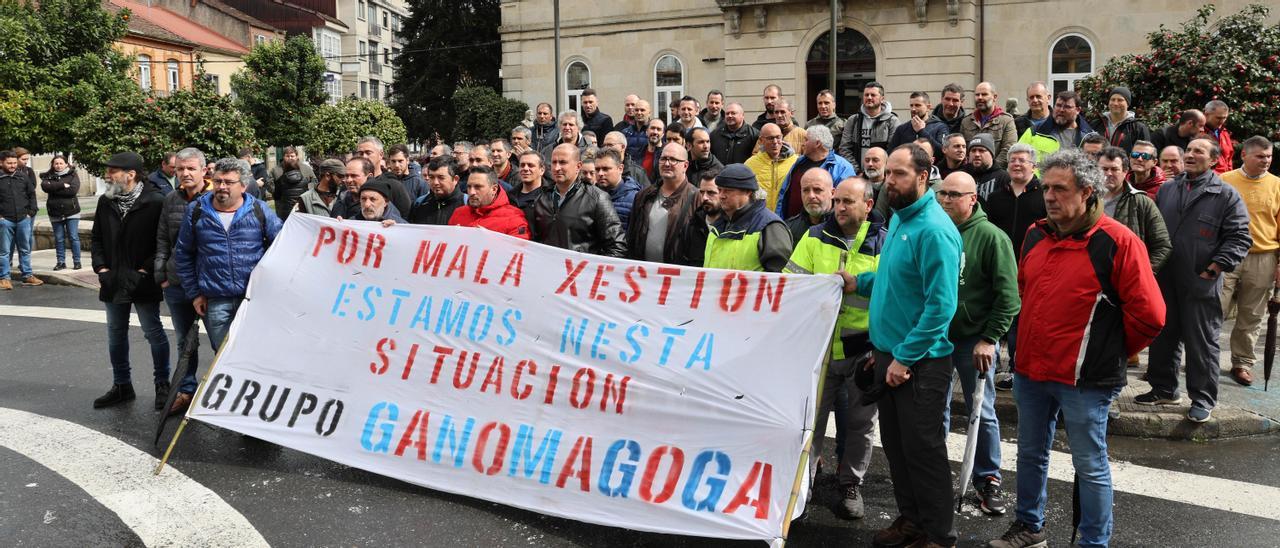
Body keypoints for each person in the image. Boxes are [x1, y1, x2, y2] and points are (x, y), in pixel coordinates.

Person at [988, 149, 1165, 548]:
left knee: (1090, 465)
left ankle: (1092, 542)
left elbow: (1151, 316)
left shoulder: (1117, 242)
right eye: (1046, 187)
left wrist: (1110, 351)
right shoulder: (1035, 233)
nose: (1049, 196)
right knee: (1030, 454)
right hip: (1032, 370)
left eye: (1060, 189)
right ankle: (1029, 527)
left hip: (1085, 379)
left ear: (1086, 191)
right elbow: (1022, 293)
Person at [846, 144, 960, 548]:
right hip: (889, 356)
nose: (888, 181)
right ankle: (912, 520)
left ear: (923, 177)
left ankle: (938, 535)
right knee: (897, 448)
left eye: (898, 174)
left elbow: (941, 307)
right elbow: (896, 280)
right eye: (887, 174)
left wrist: (904, 358)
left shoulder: (934, 229)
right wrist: (860, 282)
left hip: (921, 362)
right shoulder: (900, 220)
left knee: (923, 451)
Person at [785, 176, 884, 519]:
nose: (839, 208)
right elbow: (792, 285)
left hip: (864, 352)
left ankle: (850, 484)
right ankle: (803, 483)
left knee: (860, 426)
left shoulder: (885, 243)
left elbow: (892, 294)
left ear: (868, 206)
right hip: (820, 349)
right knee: (809, 421)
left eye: (848, 202)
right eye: (837, 201)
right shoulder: (813, 238)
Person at [1142, 138, 1252, 423]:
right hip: (1166, 278)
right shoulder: (1168, 189)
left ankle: (1202, 399)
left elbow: (1240, 238)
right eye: (1188, 150)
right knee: (1163, 335)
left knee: (1201, 342)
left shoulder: (1226, 195)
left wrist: (1214, 268)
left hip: (1201, 280)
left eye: (1198, 152)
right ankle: (1164, 388)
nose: (1190, 155)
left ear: (1214, 159)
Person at [936, 171, 1019, 517]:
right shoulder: (936, 232)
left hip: (974, 341)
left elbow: (1009, 297)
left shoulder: (991, 237)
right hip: (936, 338)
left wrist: (990, 338)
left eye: (954, 195)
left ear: (973, 198)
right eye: (942, 194)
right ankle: (935, 477)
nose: (946, 200)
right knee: (934, 410)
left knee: (980, 412)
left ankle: (988, 478)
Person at [174, 158, 284, 371]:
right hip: (216, 301)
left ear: (243, 185)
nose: (221, 187)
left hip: (253, 300)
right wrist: (195, 293)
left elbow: (282, 245)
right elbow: (184, 254)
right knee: (223, 358)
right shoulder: (196, 211)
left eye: (228, 182)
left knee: (255, 355)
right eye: (217, 181)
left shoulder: (259, 210)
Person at [91, 151, 169, 409]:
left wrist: (146, 269)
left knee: (153, 332)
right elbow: (98, 238)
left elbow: (163, 241)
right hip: (113, 279)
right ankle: (122, 385)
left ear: (131, 174)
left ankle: (162, 385)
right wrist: (101, 268)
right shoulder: (106, 201)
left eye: (113, 171)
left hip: (142, 279)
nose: (108, 175)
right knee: (115, 334)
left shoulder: (156, 201)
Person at [982, 143, 1045, 391]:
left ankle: (1018, 369)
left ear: (1034, 165)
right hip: (1000, 267)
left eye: (1022, 160)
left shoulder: (1043, 196)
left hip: (1032, 268)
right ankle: (992, 365)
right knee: (998, 316)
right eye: (1012, 161)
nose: (1017, 165)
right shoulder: (996, 198)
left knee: (1024, 322)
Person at [1219, 136, 1280, 386]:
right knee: (1213, 308)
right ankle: (1204, 356)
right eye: (1260, 156)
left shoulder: (1277, 185)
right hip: (1227, 254)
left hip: (1263, 256)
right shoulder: (1225, 181)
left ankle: (1242, 363)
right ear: (1244, 155)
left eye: (1269, 157)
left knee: (1252, 315)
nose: (1266, 161)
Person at [153, 148, 209, 416]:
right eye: (180, 169)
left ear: (203, 171)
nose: (185, 174)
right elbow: (163, 238)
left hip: (211, 285)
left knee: (221, 341)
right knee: (185, 342)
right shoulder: (170, 199)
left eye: (191, 169)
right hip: (176, 283)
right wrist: (161, 274)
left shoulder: (216, 198)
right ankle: (186, 390)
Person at [530, 144, 626, 256]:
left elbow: (617, 246)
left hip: (580, 271)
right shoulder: (541, 197)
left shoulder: (597, 198)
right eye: (554, 162)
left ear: (578, 166)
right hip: (548, 269)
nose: (556, 168)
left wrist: (591, 270)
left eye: (563, 162)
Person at [624, 143, 707, 266]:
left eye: (673, 160)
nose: (667, 164)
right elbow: (631, 237)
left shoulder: (697, 198)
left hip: (677, 277)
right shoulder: (643, 196)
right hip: (643, 274)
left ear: (685, 165)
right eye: (663, 159)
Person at [703, 164, 792, 272]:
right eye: (720, 190)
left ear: (748, 192)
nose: (721, 195)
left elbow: (779, 280)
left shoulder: (770, 227)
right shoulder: (718, 225)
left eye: (728, 190)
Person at [1098, 146, 1172, 273]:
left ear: (1125, 171)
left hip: (1126, 278)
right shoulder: (1085, 200)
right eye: (1104, 169)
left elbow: (1162, 245)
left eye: (1115, 169)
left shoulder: (1142, 202)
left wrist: (1142, 273)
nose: (1109, 173)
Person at [775, 124, 855, 219]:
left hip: (823, 228)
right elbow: (784, 194)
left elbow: (846, 201)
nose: (802, 143)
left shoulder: (842, 167)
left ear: (817, 143)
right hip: (793, 225)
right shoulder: (799, 162)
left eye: (806, 140)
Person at [448, 165, 530, 239]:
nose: (471, 192)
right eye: (469, 187)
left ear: (494, 189)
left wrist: (489, 240)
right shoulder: (458, 213)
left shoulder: (514, 219)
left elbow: (518, 251)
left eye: (478, 187)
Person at [0, 150, 40, 289]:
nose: (12, 165)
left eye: (14, 163)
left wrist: (31, 212)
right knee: (4, 251)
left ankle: (27, 275)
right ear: (1, 163)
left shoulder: (23, 177)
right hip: (5, 221)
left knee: (25, 249)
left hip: (23, 219)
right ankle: (4, 278)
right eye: (9, 163)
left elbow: (32, 195)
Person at [1018, 90, 1096, 159]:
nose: (1061, 110)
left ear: (1078, 110)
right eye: (1058, 105)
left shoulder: (1090, 137)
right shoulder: (1034, 132)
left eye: (1067, 107)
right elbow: (1017, 158)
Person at [839, 81, 899, 172]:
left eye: (873, 95)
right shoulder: (853, 120)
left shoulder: (892, 121)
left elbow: (893, 150)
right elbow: (844, 148)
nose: (869, 98)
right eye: (866, 95)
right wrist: (856, 171)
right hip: (857, 175)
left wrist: (881, 171)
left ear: (882, 99)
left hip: (882, 175)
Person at [961, 82, 1019, 168]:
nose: (980, 97)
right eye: (977, 95)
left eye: (984, 94)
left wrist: (991, 169)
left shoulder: (1006, 121)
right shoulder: (966, 122)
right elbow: (963, 150)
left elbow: (1008, 149)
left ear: (994, 97)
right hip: (971, 173)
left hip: (996, 173)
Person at [40, 155, 82, 271]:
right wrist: (62, 185)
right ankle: (61, 262)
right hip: (55, 212)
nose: (58, 165)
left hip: (71, 211)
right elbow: (45, 187)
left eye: (61, 163)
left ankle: (77, 262)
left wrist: (54, 189)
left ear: (66, 164)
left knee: (73, 237)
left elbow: (72, 191)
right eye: (56, 163)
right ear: (53, 165)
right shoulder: (48, 176)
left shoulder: (73, 174)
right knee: (59, 238)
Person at [745, 123, 799, 212]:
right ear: (761, 140)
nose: (775, 142)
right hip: (759, 218)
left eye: (778, 137)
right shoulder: (750, 164)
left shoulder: (795, 162)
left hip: (787, 218)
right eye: (770, 138)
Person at [357, 136, 412, 215]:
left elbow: (407, 218)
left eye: (368, 153)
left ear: (381, 154)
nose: (364, 157)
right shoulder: (351, 184)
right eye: (360, 153)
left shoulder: (394, 185)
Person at [888, 91, 949, 157]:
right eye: (911, 105)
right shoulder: (902, 129)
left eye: (917, 105)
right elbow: (891, 153)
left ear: (928, 107)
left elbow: (943, 152)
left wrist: (921, 131)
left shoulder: (940, 127)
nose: (913, 109)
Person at [409, 156, 466, 225]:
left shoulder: (467, 204)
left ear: (455, 179)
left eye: (441, 178)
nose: (435, 182)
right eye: (431, 177)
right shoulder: (420, 204)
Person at [593, 149, 642, 229]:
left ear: (620, 169)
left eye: (606, 169)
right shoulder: (589, 195)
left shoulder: (636, 199)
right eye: (597, 169)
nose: (600, 173)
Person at [783, 168, 834, 244]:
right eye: (806, 190)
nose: (811, 196)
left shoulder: (846, 229)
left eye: (817, 190)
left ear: (832, 193)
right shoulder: (789, 228)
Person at [1096, 86, 1151, 153]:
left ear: (1127, 104)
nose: (1115, 103)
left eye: (1120, 100)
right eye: (1112, 99)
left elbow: (1145, 153)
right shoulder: (1096, 124)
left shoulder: (1138, 128)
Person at [268, 146, 317, 221]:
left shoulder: (306, 168)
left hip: (302, 204)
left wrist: (307, 190)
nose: (290, 158)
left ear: (297, 156)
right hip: (282, 206)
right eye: (287, 156)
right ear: (283, 157)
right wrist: (277, 191)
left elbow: (314, 181)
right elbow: (269, 184)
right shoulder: (276, 170)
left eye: (292, 156)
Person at [967, 133, 1011, 201]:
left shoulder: (1004, 178)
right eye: (973, 150)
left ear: (991, 154)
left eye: (981, 150)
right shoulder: (963, 175)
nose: (976, 154)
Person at [806, 88, 847, 153]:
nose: (823, 106)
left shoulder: (843, 124)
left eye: (826, 103)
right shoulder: (809, 125)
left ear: (834, 105)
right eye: (820, 103)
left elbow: (846, 149)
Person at [1204, 100, 1235, 174]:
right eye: (1218, 118)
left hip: (1225, 178)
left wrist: (1230, 175)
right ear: (1206, 114)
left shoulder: (1224, 132)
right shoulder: (1198, 133)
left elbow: (1229, 157)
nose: (1222, 121)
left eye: (1224, 118)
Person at [640, 117, 666, 182]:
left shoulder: (666, 155)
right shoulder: (638, 153)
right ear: (646, 132)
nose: (655, 132)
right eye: (652, 128)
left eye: (658, 129)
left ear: (663, 134)